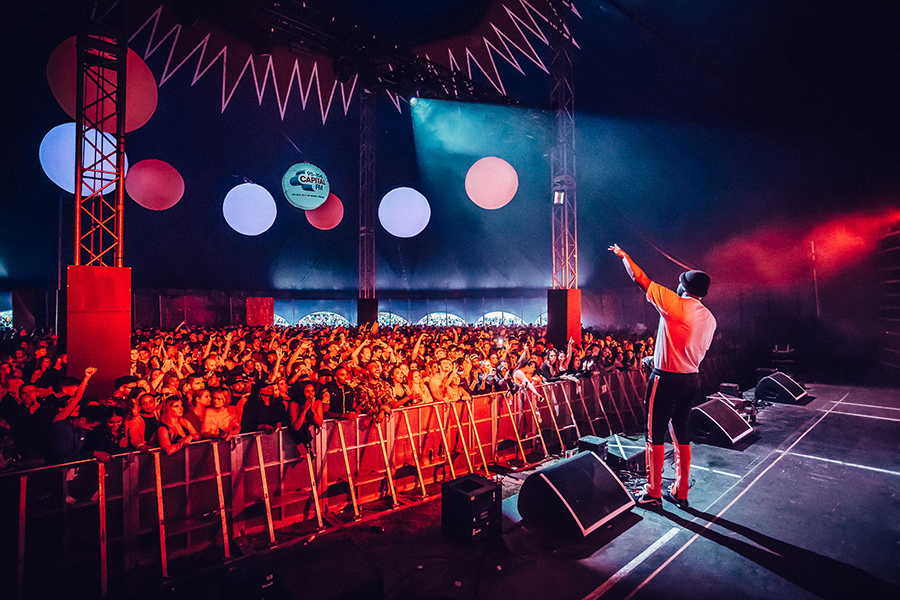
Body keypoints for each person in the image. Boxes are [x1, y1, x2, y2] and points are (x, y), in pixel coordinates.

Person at [609, 244, 716, 509]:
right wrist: (657, 357)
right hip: (692, 378)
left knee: (654, 435)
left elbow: (640, 279)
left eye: (681, 283)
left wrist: (625, 257)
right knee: (681, 434)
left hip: (666, 379)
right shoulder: (709, 318)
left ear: (685, 288)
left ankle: (653, 493)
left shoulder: (675, 304)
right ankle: (681, 491)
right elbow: (690, 348)